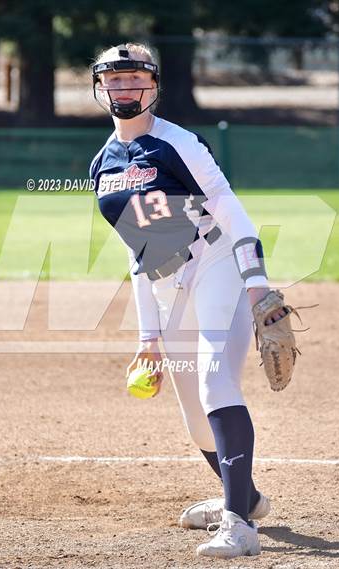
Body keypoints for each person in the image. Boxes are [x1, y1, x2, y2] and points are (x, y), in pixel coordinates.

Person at [89, 42, 286, 560]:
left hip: (217, 264)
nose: (124, 88)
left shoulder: (179, 143)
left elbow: (228, 208)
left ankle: (239, 526)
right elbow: (138, 249)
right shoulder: (102, 163)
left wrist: (256, 282)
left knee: (214, 379)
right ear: (100, 86)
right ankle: (245, 496)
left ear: (154, 85)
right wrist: (147, 336)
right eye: (115, 79)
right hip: (166, 283)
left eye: (135, 79)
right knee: (194, 412)